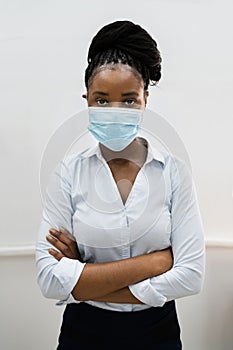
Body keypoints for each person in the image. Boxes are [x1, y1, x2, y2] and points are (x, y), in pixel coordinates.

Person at [36, 20, 205, 349]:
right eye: (101, 100)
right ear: (86, 99)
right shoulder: (68, 174)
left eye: (128, 100)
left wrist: (84, 279)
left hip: (157, 333)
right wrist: (155, 263)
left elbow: (192, 275)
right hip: (83, 333)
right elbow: (47, 278)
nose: (115, 110)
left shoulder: (174, 173)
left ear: (146, 98)